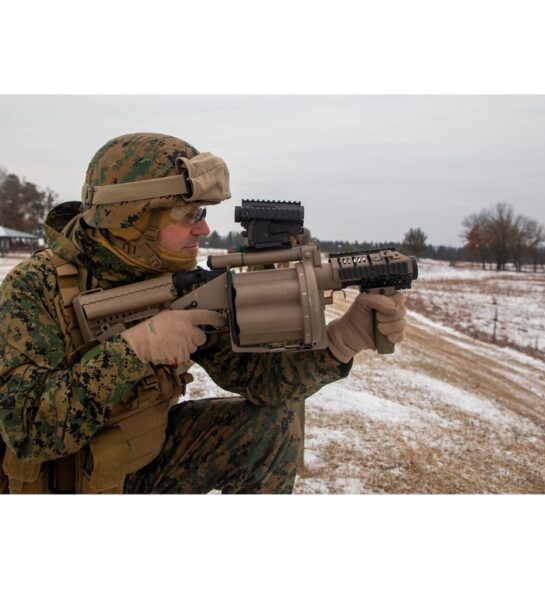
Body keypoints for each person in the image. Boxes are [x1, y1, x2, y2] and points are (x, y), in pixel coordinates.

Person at [0, 132, 406, 494]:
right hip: (58, 488)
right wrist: (137, 347)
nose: (204, 230)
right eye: (190, 215)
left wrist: (341, 342)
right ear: (131, 219)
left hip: (142, 467)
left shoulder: (175, 281)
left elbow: (259, 383)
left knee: (272, 427)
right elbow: (29, 431)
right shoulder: (34, 288)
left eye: (204, 214)